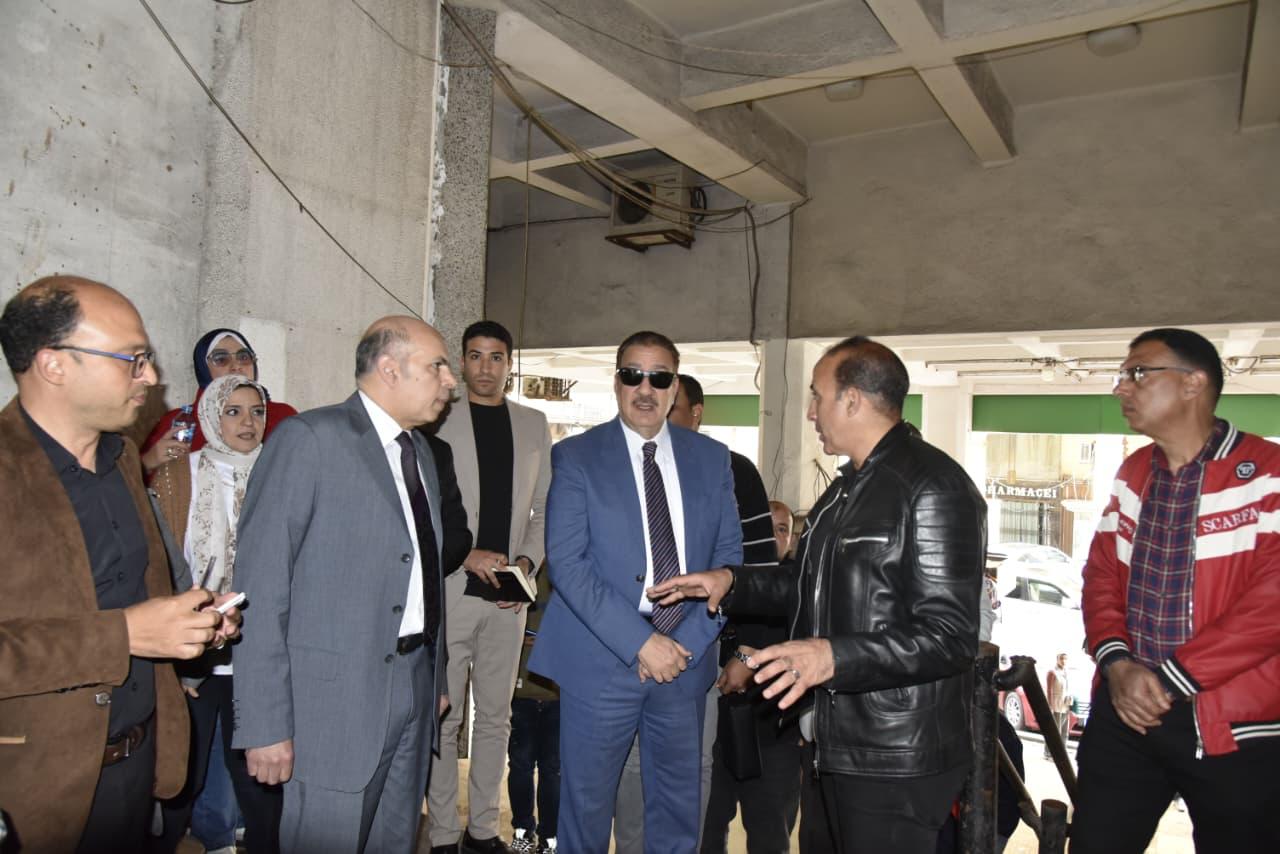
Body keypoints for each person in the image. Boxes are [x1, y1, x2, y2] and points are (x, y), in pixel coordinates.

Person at [651, 335, 985, 854]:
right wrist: (732, 582)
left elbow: (950, 636)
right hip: (834, 739)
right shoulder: (847, 487)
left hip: (895, 754)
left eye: (817, 396)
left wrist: (833, 656)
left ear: (852, 400)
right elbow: (806, 585)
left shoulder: (934, 487)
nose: (810, 411)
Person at [0, 276, 238, 852]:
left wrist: (192, 621)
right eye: (133, 360)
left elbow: (136, 594)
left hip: (140, 771)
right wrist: (126, 634)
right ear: (54, 365)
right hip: (36, 793)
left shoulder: (125, 457)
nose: (151, 377)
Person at [231, 316, 457, 854]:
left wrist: (437, 677)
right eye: (437, 367)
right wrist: (264, 722)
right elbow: (260, 587)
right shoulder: (310, 439)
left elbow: (423, 572)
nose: (451, 381)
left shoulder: (421, 452)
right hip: (334, 704)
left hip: (415, 684)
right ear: (390, 369)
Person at [527, 331, 743, 853]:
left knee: (677, 813)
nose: (645, 389)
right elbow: (569, 564)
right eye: (633, 375)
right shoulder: (576, 456)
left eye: (659, 378)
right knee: (585, 813)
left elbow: (730, 563)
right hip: (601, 659)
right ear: (616, 381)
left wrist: (683, 644)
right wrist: (641, 643)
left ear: (675, 387)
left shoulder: (712, 458)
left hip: (684, 661)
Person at [1073, 328, 1280, 854]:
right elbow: (1100, 575)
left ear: (1193, 383)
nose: (1121, 387)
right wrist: (1116, 663)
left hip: (1232, 722)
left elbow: (1271, 604)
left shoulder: (1268, 474)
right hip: (1125, 710)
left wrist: (1172, 678)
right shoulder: (1133, 471)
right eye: (1122, 375)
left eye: (1138, 373)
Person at [613, 372, 779, 853]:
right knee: (630, 770)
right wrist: (634, 641)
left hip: (704, 652)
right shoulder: (622, 465)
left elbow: (759, 572)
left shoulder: (732, 470)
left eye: (673, 405)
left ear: (696, 413)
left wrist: (747, 653)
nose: (658, 411)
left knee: (693, 770)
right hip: (631, 650)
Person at [427, 321, 551, 854]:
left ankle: (481, 830)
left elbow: (543, 509)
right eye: (475, 356)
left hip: (508, 597)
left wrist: (525, 564)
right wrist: (464, 553)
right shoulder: (437, 417)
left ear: (508, 364)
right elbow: (424, 506)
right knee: (444, 715)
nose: (485, 367)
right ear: (461, 362)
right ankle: (442, 833)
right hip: (452, 586)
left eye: (495, 357)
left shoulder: (533, 423)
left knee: (496, 719)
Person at [149, 374, 283, 853]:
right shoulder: (177, 474)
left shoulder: (280, 475)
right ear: (211, 416)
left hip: (261, 651)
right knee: (183, 773)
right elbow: (159, 562)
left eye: (257, 412)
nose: (248, 422)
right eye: (234, 411)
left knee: (259, 777)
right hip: (195, 650)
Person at [140, 328, 297, 473]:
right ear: (203, 368)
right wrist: (148, 462)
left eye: (243, 357)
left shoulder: (281, 417)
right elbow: (137, 484)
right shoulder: (180, 423)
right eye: (221, 359)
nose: (236, 366)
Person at [506, 567, 560, 854]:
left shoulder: (569, 566)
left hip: (560, 694)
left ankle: (550, 839)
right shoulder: (521, 567)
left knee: (553, 769)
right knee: (521, 765)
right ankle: (522, 834)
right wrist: (515, 633)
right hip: (520, 691)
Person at [1044, 653, 1071, 760]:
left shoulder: (1066, 672)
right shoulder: (1052, 672)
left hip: (1065, 705)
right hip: (1056, 705)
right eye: (1061, 659)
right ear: (1057, 660)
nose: (1064, 661)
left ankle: (1062, 753)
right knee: (1054, 731)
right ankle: (1049, 753)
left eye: (1065, 659)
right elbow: (1049, 690)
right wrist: (1050, 706)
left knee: (1064, 731)